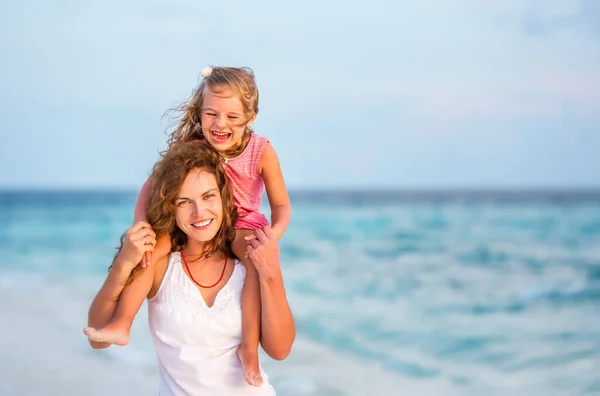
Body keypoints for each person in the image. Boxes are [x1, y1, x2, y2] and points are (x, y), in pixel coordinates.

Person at [84, 66, 292, 386]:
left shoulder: (260, 151)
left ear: (250, 117)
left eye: (232, 117)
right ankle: (122, 323)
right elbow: (149, 187)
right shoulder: (192, 150)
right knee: (151, 253)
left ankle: (248, 350)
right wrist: (139, 233)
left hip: (244, 226)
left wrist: (271, 245)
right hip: (184, 243)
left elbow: (280, 205)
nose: (221, 124)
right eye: (212, 114)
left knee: (253, 261)